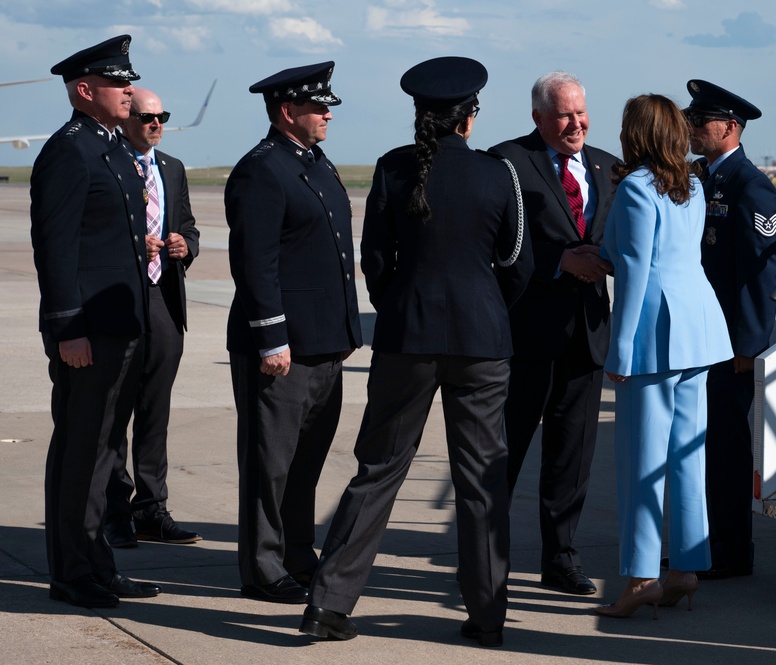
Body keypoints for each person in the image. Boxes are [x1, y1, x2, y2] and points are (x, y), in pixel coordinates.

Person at [299, 56, 532, 647]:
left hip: (407, 336)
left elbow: (375, 262)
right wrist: (485, 308)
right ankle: (487, 617)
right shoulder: (497, 173)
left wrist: (404, 304)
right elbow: (516, 264)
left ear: (419, 115)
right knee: (481, 480)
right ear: (469, 118)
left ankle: (328, 605)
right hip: (482, 341)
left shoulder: (392, 169)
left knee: (378, 471)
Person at [30, 35, 162, 608]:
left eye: (129, 81)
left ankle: (97, 564)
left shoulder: (109, 147)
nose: (128, 89)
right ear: (86, 91)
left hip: (119, 328)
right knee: (81, 452)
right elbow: (55, 248)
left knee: (105, 452)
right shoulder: (70, 150)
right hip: (89, 332)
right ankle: (72, 572)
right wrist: (68, 328)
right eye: (117, 82)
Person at [226, 62, 362, 604]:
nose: (327, 112)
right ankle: (262, 568)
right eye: (317, 105)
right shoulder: (262, 169)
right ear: (288, 112)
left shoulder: (315, 163)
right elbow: (256, 264)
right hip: (282, 349)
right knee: (271, 464)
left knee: (306, 462)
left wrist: (346, 329)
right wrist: (271, 338)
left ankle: (297, 554)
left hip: (324, 343)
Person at [595, 94, 732, 619]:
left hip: (654, 335)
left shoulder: (635, 188)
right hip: (698, 329)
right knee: (687, 458)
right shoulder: (692, 184)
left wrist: (620, 348)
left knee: (640, 462)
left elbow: (634, 272)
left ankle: (640, 578)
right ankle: (686, 569)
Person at [490, 72, 618, 596]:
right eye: (564, 115)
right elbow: (494, 245)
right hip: (527, 335)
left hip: (586, 334)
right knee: (505, 452)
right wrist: (559, 261)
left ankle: (560, 557)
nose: (576, 124)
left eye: (581, 112)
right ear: (539, 117)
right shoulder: (505, 163)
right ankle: (486, 555)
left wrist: (604, 261)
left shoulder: (610, 167)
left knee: (573, 454)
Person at [680, 79, 776, 580]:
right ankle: (703, 545)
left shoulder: (750, 185)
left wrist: (750, 345)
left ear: (729, 127)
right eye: (690, 121)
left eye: (700, 122)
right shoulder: (701, 179)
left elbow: (761, 271)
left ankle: (732, 550)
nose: (691, 129)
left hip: (728, 343)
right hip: (702, 335)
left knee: (725, 449)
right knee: (700, 446)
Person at [104, 87, 202, 548]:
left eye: (162, 115)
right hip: (121, 297)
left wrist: (185, 245)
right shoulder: (108, 162)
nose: (156, 123)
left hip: (164, 296)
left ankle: (150, 508)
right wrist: (129, 245)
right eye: (146, 117)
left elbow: (187, 224)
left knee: (155, 409)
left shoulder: (172, 168)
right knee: (114, 408)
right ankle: (113, 509)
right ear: (127, 120)